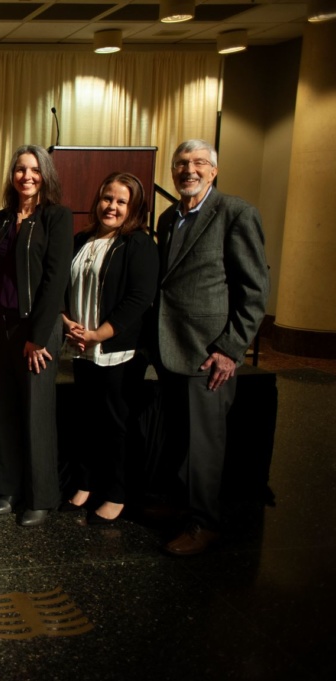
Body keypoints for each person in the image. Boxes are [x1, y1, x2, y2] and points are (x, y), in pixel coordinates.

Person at [153, 139, 268, 556]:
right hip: (171, 347)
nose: (189, 170)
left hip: (210, 353)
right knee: (181, 438)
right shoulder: (168, 218)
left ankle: (206, 523)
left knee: (205, 444)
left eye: (199, 163)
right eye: (181, 163)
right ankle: (185, 508)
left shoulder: (236, 213)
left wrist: (230, 349)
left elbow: (253, 290)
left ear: (214, 171)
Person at [60, 172, 159, 525]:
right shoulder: (82, 240)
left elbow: (139, 298)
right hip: (81, 347)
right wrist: (66, 320)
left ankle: (117, 493)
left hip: (116, 351)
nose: (112, 207)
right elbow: (62, 287)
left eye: (121, 201)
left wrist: (99, 334)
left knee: (116, 424)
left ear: (133, 208)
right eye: (107, 198)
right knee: (86, 420)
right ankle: (86, 483)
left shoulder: (138, 244)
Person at [0, 144, 72, 527]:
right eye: (20, 169)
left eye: (34, 169)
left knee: (36, 412)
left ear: (45, 174)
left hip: (36, 329)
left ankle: (41, 497)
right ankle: (9, 488)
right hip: (0, 326)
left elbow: (55, 281)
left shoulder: (56, 217)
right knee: (3, 410)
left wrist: (38, 336)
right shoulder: (3, 218)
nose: (26, 176)